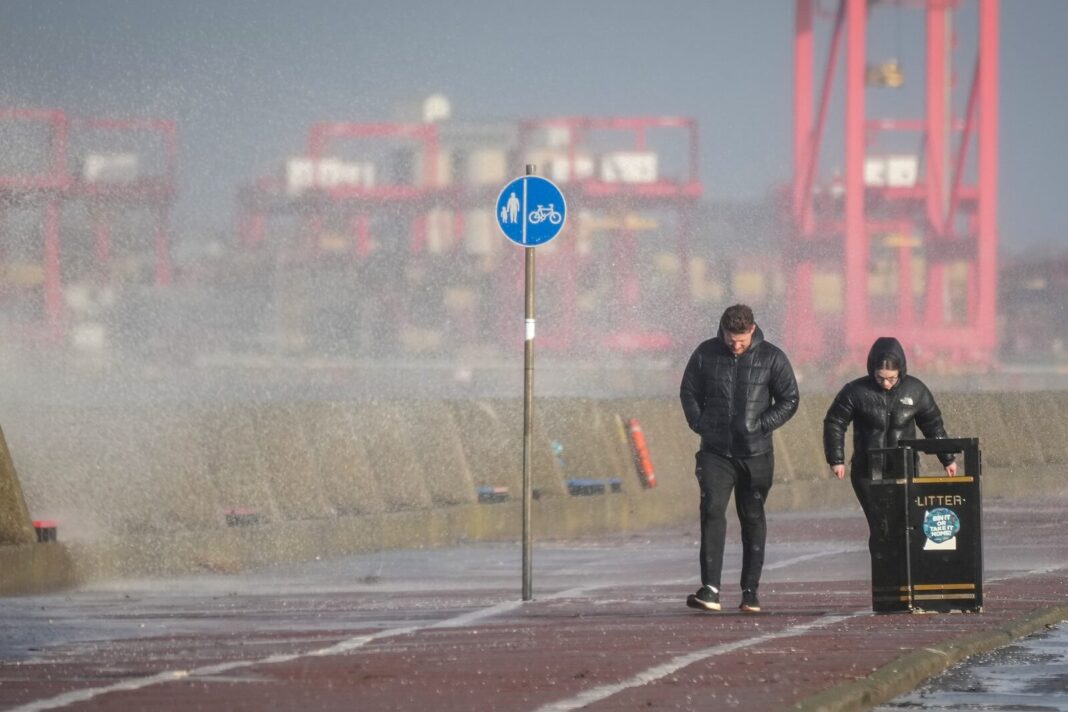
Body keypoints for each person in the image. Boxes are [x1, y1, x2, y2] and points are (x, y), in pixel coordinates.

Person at [680, 304, 800, 613]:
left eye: (742, 340)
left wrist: (761, 424)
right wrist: (699, 422)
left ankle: (750, 592)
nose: (736, 345)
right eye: (731, 338)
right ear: (722, 330)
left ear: (753, 330)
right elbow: (688, 391)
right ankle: (710, 589)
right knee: (711, 510)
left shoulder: (772, 357)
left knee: (752, 516)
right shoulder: (706, 353)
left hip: (756, 453)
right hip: (716, 451)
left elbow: (790, 398)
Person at [823, 336, 957, 553]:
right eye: (880, 377)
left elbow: (932, 425)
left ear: (901, 372)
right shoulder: (855, 391)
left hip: (903, 468)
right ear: (871, 371)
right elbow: (835, 423)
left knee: (904, 524)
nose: (885, 383)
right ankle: (883, 574)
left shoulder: (916, 390)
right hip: (867, 471)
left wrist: (947, 458)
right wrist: (836, 459)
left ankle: (904, 574)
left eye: (891, 379)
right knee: (880, 526)